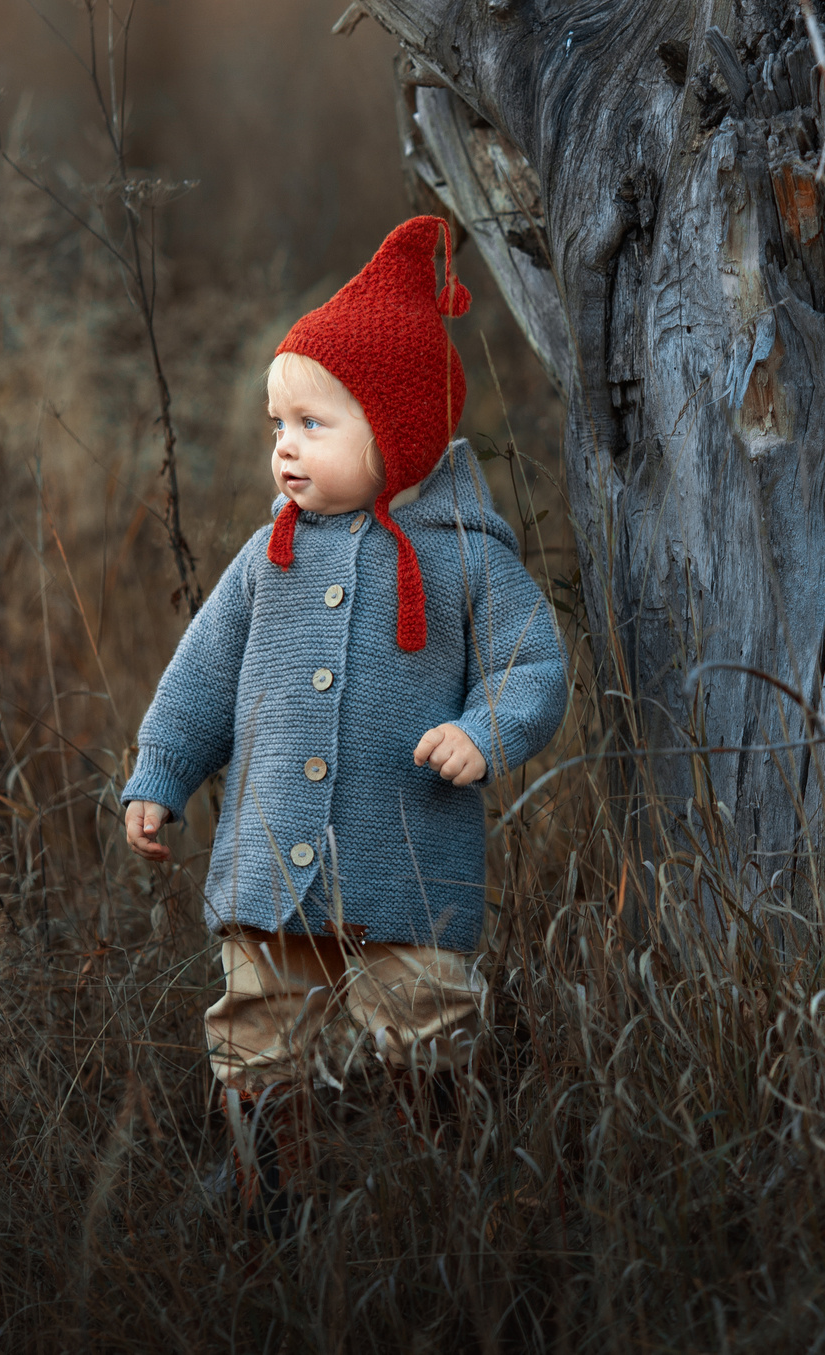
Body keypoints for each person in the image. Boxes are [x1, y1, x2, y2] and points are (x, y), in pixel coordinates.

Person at [119, 215, 567, 1198]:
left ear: (399, 433)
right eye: (278, 426)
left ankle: (433, 1194)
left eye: (313, 426)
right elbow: (200, 678)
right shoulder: (267, 555)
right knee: (259, 1028)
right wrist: (160, 772)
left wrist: (483, 733)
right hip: (272, 864)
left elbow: (532, 668)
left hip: (404, 872)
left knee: (425, 1019)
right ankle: (267, 1195)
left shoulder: (464, 554)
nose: (285, 450)